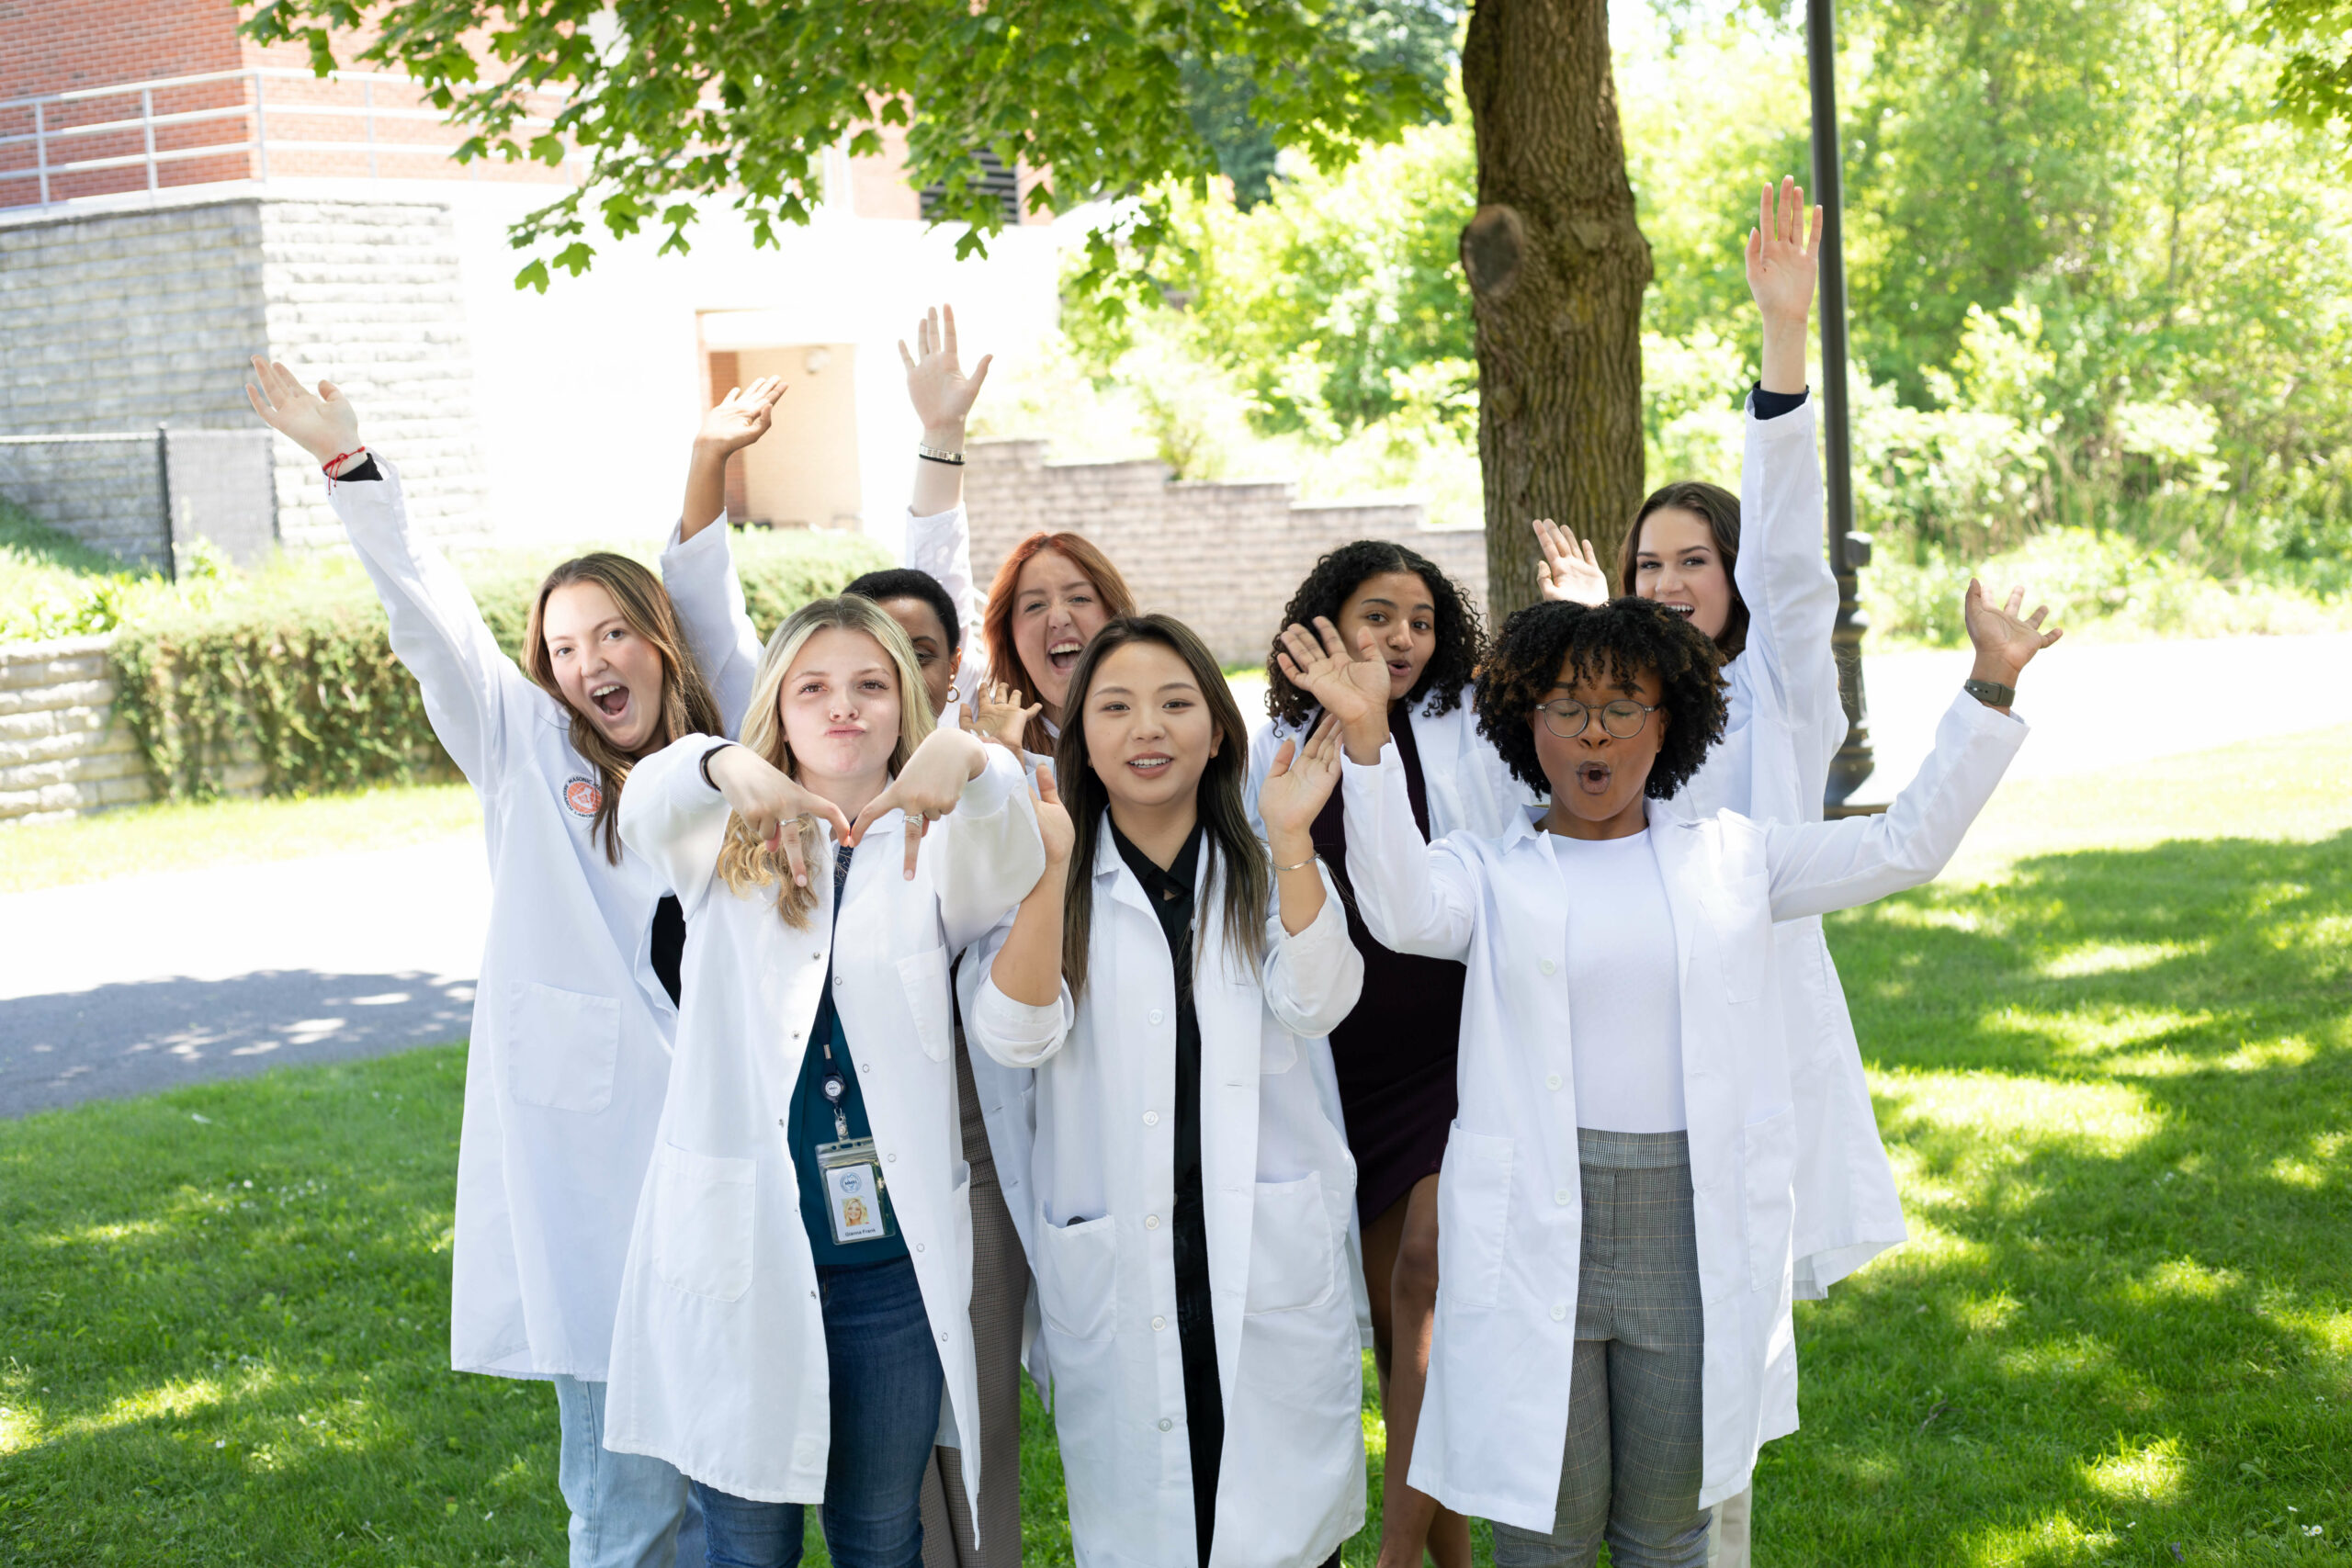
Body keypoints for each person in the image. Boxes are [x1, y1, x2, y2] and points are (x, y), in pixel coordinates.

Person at [1292, 581, 2056, 1566]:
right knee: (1542, 1531)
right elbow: (1396, 908)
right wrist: (1365, 743)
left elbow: (1904, 845)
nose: (1592, 734)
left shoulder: (1736, 859)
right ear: (1530, 725)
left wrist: (1989, 684)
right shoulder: (1487, 873)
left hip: (1686, 1234)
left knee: (1668, 1532)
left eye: (1621, 708)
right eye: (1565, 707)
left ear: (1669, 726)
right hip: (1535, 1232)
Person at [243, 356, 725, 1568]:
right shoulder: (523, 751)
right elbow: (433, 620)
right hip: (596, 1180)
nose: (589, 660)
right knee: (625, 1500)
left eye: (615, 630)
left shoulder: (730, 766)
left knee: (741, 1492)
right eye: (564, 645)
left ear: (663, 641)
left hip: (730, 1178)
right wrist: (349, 465)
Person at [1533, 178, 1893, 1562]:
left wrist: (1784, 349)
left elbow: (1801, 569)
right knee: (1637, 1365)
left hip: (1746, 1050)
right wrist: (1585, 636)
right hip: (1623, 1071)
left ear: (1729, 578)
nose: (1672, 577)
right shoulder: (1608, 711)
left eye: (1694, 558)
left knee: (1726, 1375)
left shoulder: (1776, 689)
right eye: (1649, 559)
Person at [601, 594, 1058, 1568]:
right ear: (779, 705)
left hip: (883, 1268)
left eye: (869, 684)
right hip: (746, 1254)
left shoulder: (934, 847)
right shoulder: (718, 839)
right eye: (813, 687)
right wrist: (725, 761)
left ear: (904, 703)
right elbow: (645, 796)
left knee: (879, 1531)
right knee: (745, 1538)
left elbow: (1014, 847)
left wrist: (977, 759)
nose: (841, 706)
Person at [966, 615, 1368, 1568]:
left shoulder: (1268, 858)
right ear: (1081, 740)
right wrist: (1050, 867)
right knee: (1156, 1533)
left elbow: (1318, 999)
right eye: (1115, 707)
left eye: (1175, 703)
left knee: (1283, 1537)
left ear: (1218, 729)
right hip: (1123, 1257)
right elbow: (1014, 1035)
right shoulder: (1041, 873)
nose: (1147, 728)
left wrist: (1295, 840)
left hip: (1257, 1252)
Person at [1248, 542, 1531, 1568]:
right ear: (1324, 624)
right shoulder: (1272, 737)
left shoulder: (1465, 731)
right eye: (1377, 615)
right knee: (1403, 1335)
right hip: (1337, 1057)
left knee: (1424, 1276)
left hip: (1452, 1044)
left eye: (1418, 619)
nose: (1400, 637)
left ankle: (1394, 1558)